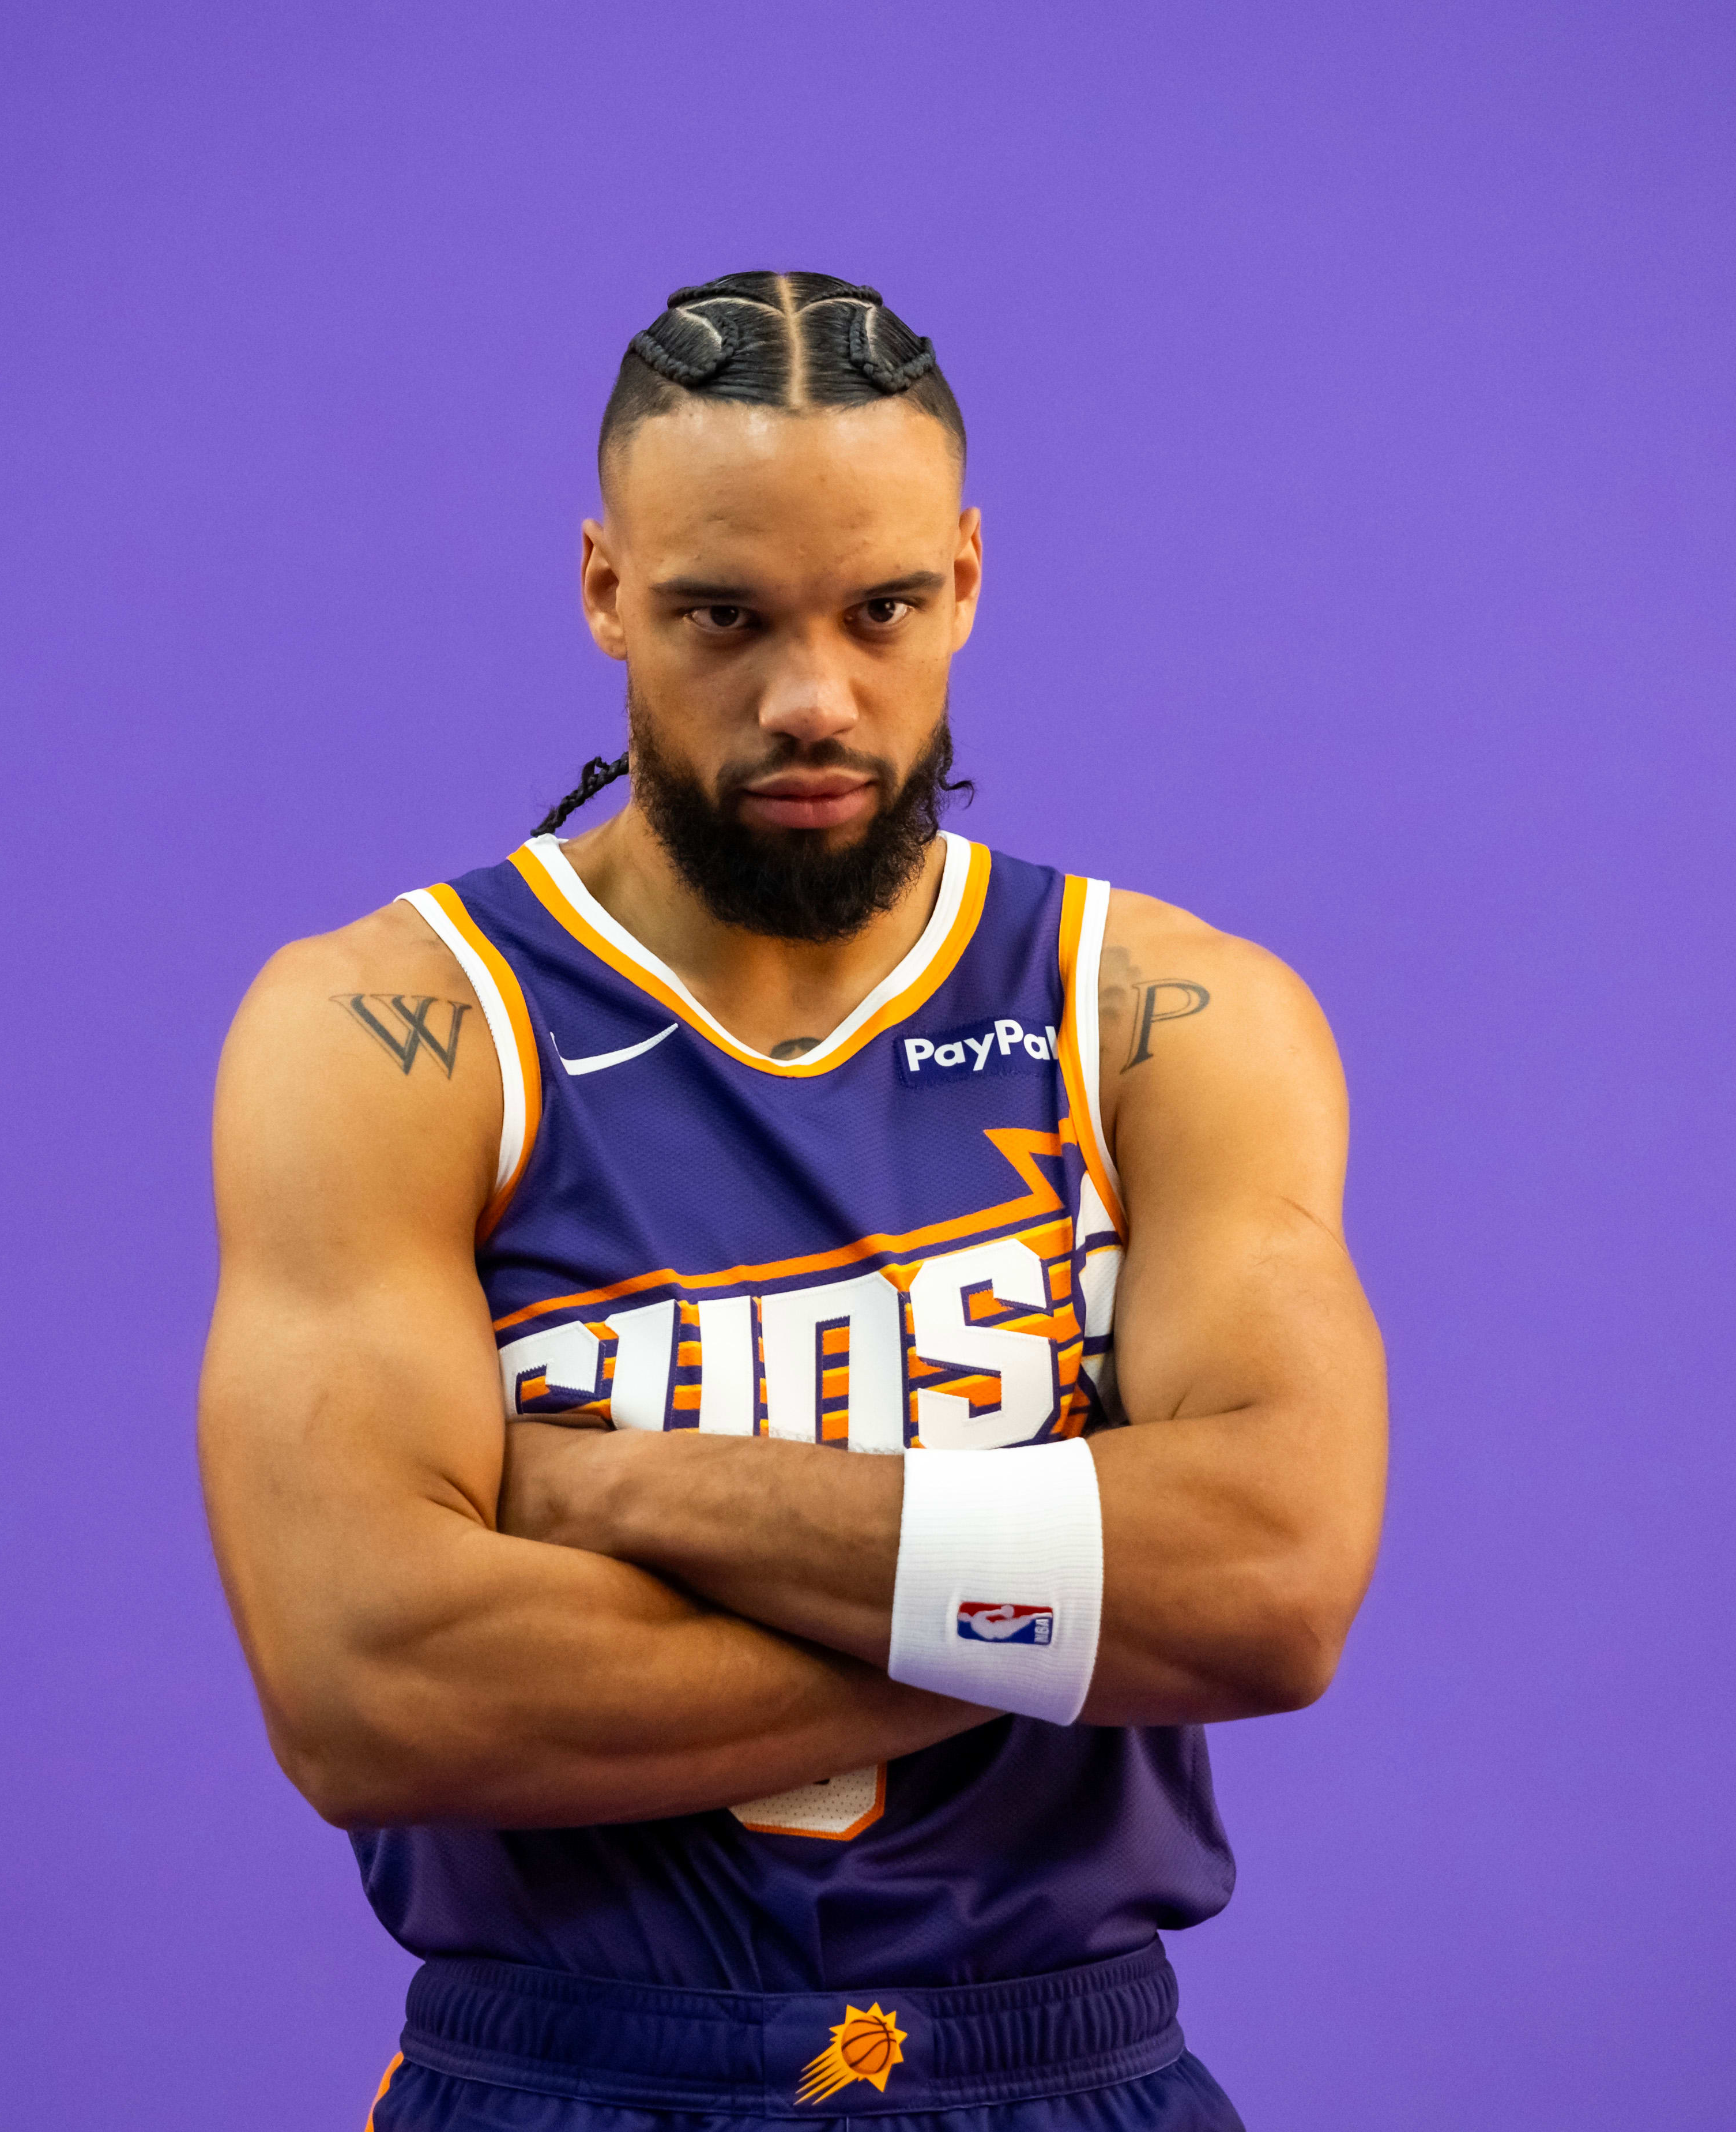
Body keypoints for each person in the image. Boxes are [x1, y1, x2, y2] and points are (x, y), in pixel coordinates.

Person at [198, 269, 1388, 2131]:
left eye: (885, 609)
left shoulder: (1159, 1014)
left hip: (1062, 2070)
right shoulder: (395, 1030)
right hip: (573, 2073)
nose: (813, 695)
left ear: (970, 577)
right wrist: (1063, 1604)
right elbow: (373, 1690)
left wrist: (617, 1488)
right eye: (723, 618)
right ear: (605, 588)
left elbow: (1264, 1591)